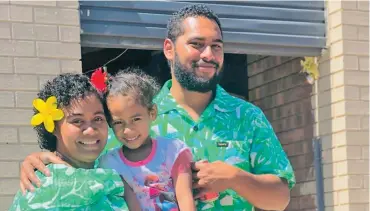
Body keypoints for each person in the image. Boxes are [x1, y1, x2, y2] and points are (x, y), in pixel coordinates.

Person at [17, 4, 295, 211]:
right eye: (197, 44)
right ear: (169, 49)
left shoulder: (247, 117)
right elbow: (86, 153)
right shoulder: (130, 116)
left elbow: (281, 198)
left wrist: (235, 177)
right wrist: (43, 159)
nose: (208, 55)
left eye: (216, 46)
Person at [9, 73, 131, 210]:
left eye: (98, 119)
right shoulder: (47, 187)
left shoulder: (110, 163)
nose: (90, 130)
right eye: (77, 121)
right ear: (53, 127)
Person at [98, 69, 195, 210]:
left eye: (136, 119)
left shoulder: (173, 151)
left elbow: (186, 198)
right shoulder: (110, 163)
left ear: (152, 113)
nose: (128, 130)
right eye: (118, 122)